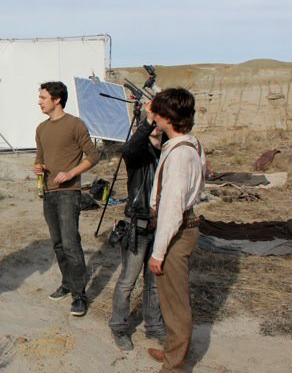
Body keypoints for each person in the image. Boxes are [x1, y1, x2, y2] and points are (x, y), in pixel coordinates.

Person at [145, 88, 206, 372]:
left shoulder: (180, 157)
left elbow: (171, 208)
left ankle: (174, 366)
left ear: (167, 117)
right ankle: (173, 352)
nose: (153, 116)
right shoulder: (188, 144)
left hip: (177, 231)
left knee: (175, 304)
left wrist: (158, 253)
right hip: (183, 226)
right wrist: (157, 136)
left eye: (157, 113)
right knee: (171, 299)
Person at [33, 81, 100, 317]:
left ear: (57, 99)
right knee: (58, 244)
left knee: (71, 244)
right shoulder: (41, 128)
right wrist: (38, 168)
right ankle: (67, 283)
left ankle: (79, 295)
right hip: (48, 193)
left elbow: (94, 155)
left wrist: (71, 173)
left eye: (43, 97)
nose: (39, 101)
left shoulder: (74, 124)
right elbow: (40, 158)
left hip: (69, 194)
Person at [108, 102, 166, 351]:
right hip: (137, 227)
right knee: (127, 281)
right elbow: (128, 149)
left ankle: (154, 326)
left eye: (158, 121)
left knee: (154, 282)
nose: (154, 126)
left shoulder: (168, 151)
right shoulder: (138, 154)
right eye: (151, 122)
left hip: (160, 226)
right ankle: (118, 326)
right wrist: (148, 120)